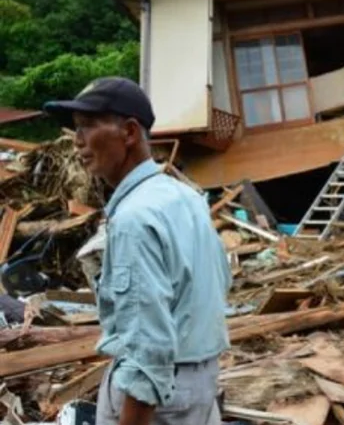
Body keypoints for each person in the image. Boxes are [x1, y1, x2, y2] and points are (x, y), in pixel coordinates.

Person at [44, 77, 232, 425]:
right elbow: (221, 282)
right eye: (75, 129)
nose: (77, 142)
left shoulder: (133, 219)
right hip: (201, 382)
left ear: (129, 133)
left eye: (86, 126)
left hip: (158, 401)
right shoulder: (185, 197)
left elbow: (148, 349)